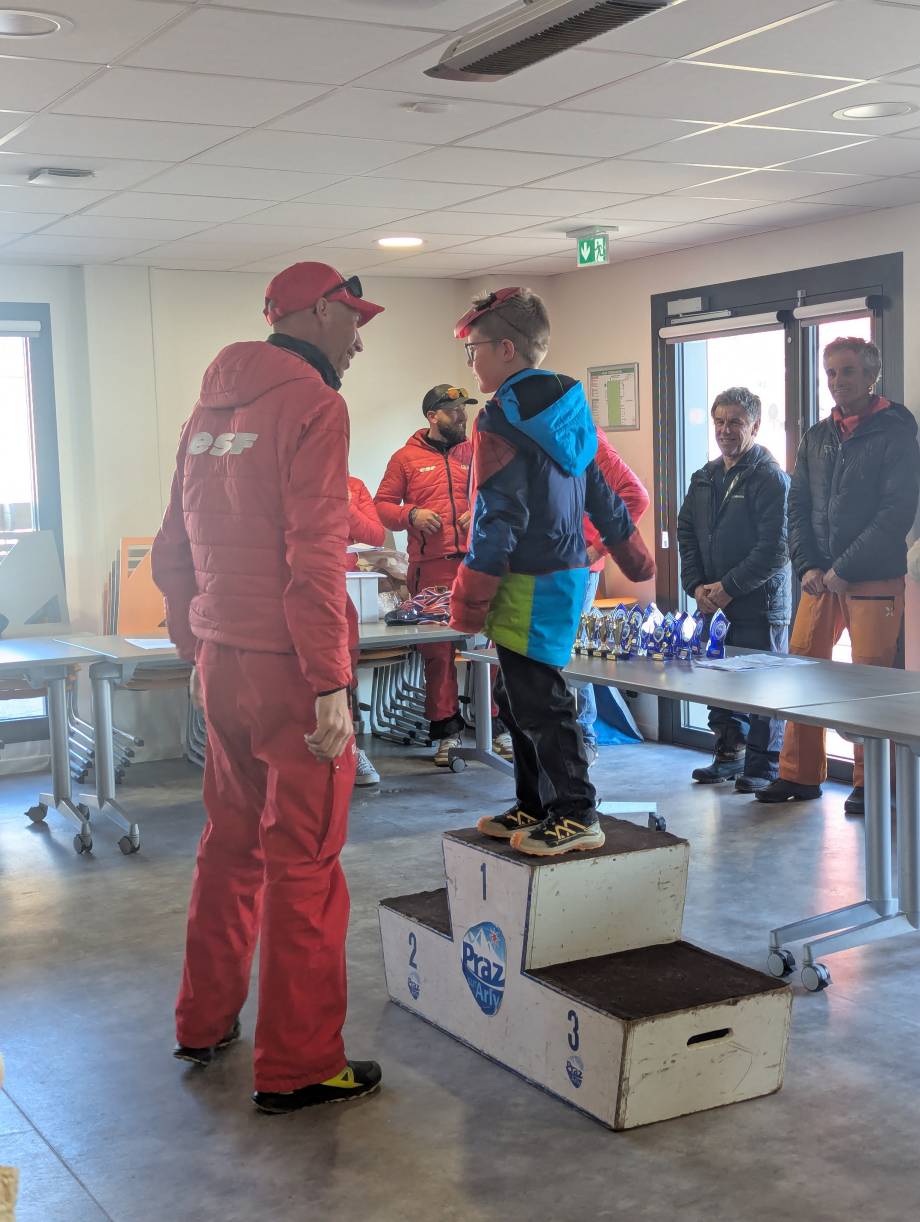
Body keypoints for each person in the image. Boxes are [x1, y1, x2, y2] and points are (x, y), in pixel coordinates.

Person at [151, 262, 383, 1114]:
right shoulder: (316, 405)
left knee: (229, 841)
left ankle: (203, 1021)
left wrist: (194, 639)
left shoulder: (206, 411)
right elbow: (315, 555)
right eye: (352, 319)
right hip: (290, 668)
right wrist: (330, 682)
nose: (358, 340)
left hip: (224, 662)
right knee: (307, 862)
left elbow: (172, 544)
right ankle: (300, 1063)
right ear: (317, 311)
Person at [449, 287, 655, 856]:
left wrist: (469, 592)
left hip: (524, 578)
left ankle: (576, 810)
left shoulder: (500, 419)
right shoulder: (568, 408)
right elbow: (599, 491)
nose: (472, 362)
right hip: (561, 574)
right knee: (518, 698)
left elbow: (499, 514)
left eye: (476, 350)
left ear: (508, 349)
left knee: (540, 698)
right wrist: (626, 548)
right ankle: (534, 802)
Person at [757, 337, 920, 815]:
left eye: (846, 372)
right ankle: (798, 775)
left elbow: (896, 512)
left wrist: (842, 569)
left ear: (871, 377)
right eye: (830, 373)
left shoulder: (895, 433)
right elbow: (797, 505)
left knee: (869, 683)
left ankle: (874, 785)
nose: (836, 381)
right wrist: (807, 565)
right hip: (817, 579)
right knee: (803, 669)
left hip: (872, 579)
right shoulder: (816, 435)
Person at [375, 385, 511, 765]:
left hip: (480, 562)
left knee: (493, 647)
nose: (462, 417)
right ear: (432, 416)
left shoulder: (478, 452)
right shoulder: (405, 459)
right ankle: (446, 735)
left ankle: (497, 730)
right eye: (453, 411)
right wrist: (411, 515)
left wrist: (481, 509)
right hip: (431, 566)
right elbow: (382, 506)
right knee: (439, 653)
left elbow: (503, 494)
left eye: (464, 410)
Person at [677, 387, 791, 792]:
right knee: (718, 682)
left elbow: (776, 549)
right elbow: (685, 533)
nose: (725, 430)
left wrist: (729, 587)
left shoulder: (770, 477)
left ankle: (764, 767)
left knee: (764, 689)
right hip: (712, 603)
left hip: (759, 605)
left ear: (755, 426)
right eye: (719, 422)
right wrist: (695, 586)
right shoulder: (704, 477)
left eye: (735, 422)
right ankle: (729, 755)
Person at [577, 426, 650, 763]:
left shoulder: (584, 436)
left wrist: (596, 549)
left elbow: (635, 496)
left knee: (570, 655)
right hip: (534, 569)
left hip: (575, 570)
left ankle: (583, 737)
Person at [347, 474, 385, 787]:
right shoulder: (277, 477)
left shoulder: (353, 485)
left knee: (341, 672)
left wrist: (344, 507)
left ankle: (349, 749)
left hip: (343, 588)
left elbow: (374, 534)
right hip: (283, 587)